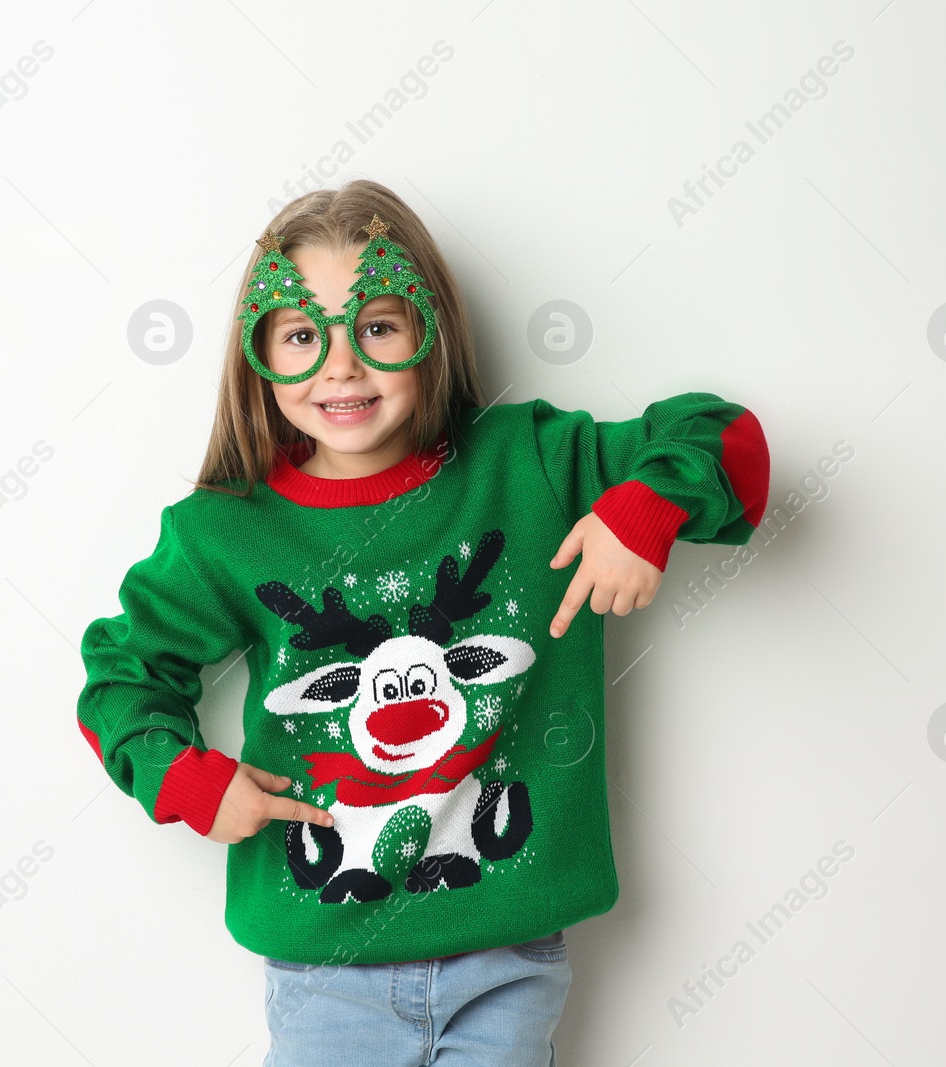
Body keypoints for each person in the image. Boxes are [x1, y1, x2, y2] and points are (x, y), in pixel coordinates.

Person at [75, 179, 771, 1066]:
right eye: (301, 335)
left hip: (507, 962)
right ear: (259, 357)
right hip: (325, 967)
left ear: (429, 331)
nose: (341, 365)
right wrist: (189, 781)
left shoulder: (534, 463)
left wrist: (646, 509)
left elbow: (727, 439)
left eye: (376, 326)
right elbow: (120, 675)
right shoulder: (223, 533)